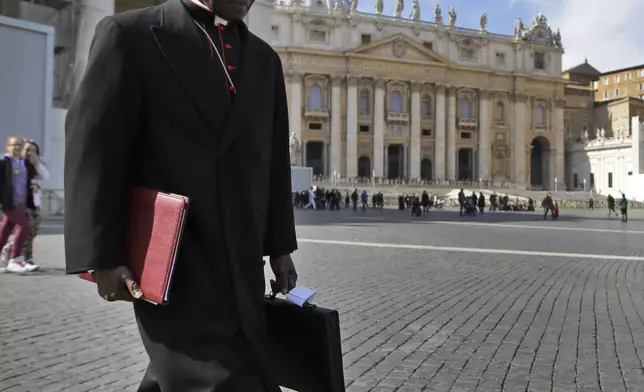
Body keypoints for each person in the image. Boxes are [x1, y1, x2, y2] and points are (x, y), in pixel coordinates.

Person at [63, 0, 298, 390]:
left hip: (242, 263)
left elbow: (272, 163)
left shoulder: (265, 59)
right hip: (175, 259)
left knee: (187, 374)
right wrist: (100, 257)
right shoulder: (131, 35)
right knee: (218, 377)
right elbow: (95, 146)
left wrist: (280, 247)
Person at [1, 140, 49, 270]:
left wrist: (37, 164)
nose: (30, 152)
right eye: (28, 149)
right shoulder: (12, 162)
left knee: (15, 229)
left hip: (31, 202)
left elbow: (45, 177)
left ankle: (16, 255)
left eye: (33, 150)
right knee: (25, 227)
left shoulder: (31, 164)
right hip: (16, 203)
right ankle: (17, 258)